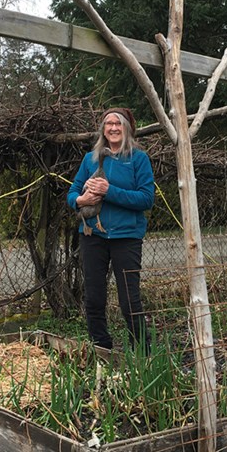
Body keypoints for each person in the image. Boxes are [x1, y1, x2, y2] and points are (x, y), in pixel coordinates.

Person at [67, 108, 154, 352]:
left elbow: (146, 199)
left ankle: (142, 352)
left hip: (126, 236)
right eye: (108, 124)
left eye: (118, 123)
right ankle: (101, 348)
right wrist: (80, 201)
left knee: (129, 299)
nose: (113, 128)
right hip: (93, 235)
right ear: (103, 129)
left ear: (127, 128)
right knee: (94, 297)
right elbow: (72, 193)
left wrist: (108, 191)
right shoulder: (90, 159)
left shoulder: (138, 159)